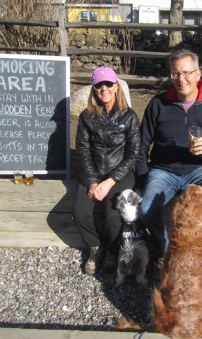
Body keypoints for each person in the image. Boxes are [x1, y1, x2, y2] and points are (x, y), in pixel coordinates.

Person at [136, 49, 202, 293]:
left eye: (187, 72)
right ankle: (166, 255)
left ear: (198, 74)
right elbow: (141, 146)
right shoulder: (158, 104)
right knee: (146, 208)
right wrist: (144, 180)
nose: (181, 78)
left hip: (196, 171)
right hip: (162, 171)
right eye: (176, 73)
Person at [73, 66, 140, 275]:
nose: (104, 88)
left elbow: (133, 154)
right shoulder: (86, 117)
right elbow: (82, 151)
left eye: (108, 84)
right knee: (80, 211)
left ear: (116, 86)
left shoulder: (129, 117)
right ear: (94, 89)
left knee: (113, 214)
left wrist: (110, 181)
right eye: (99, 85)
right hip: (93, 172)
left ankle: (112, 250)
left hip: (120, 174)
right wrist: (93, 181)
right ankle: (95, 247)